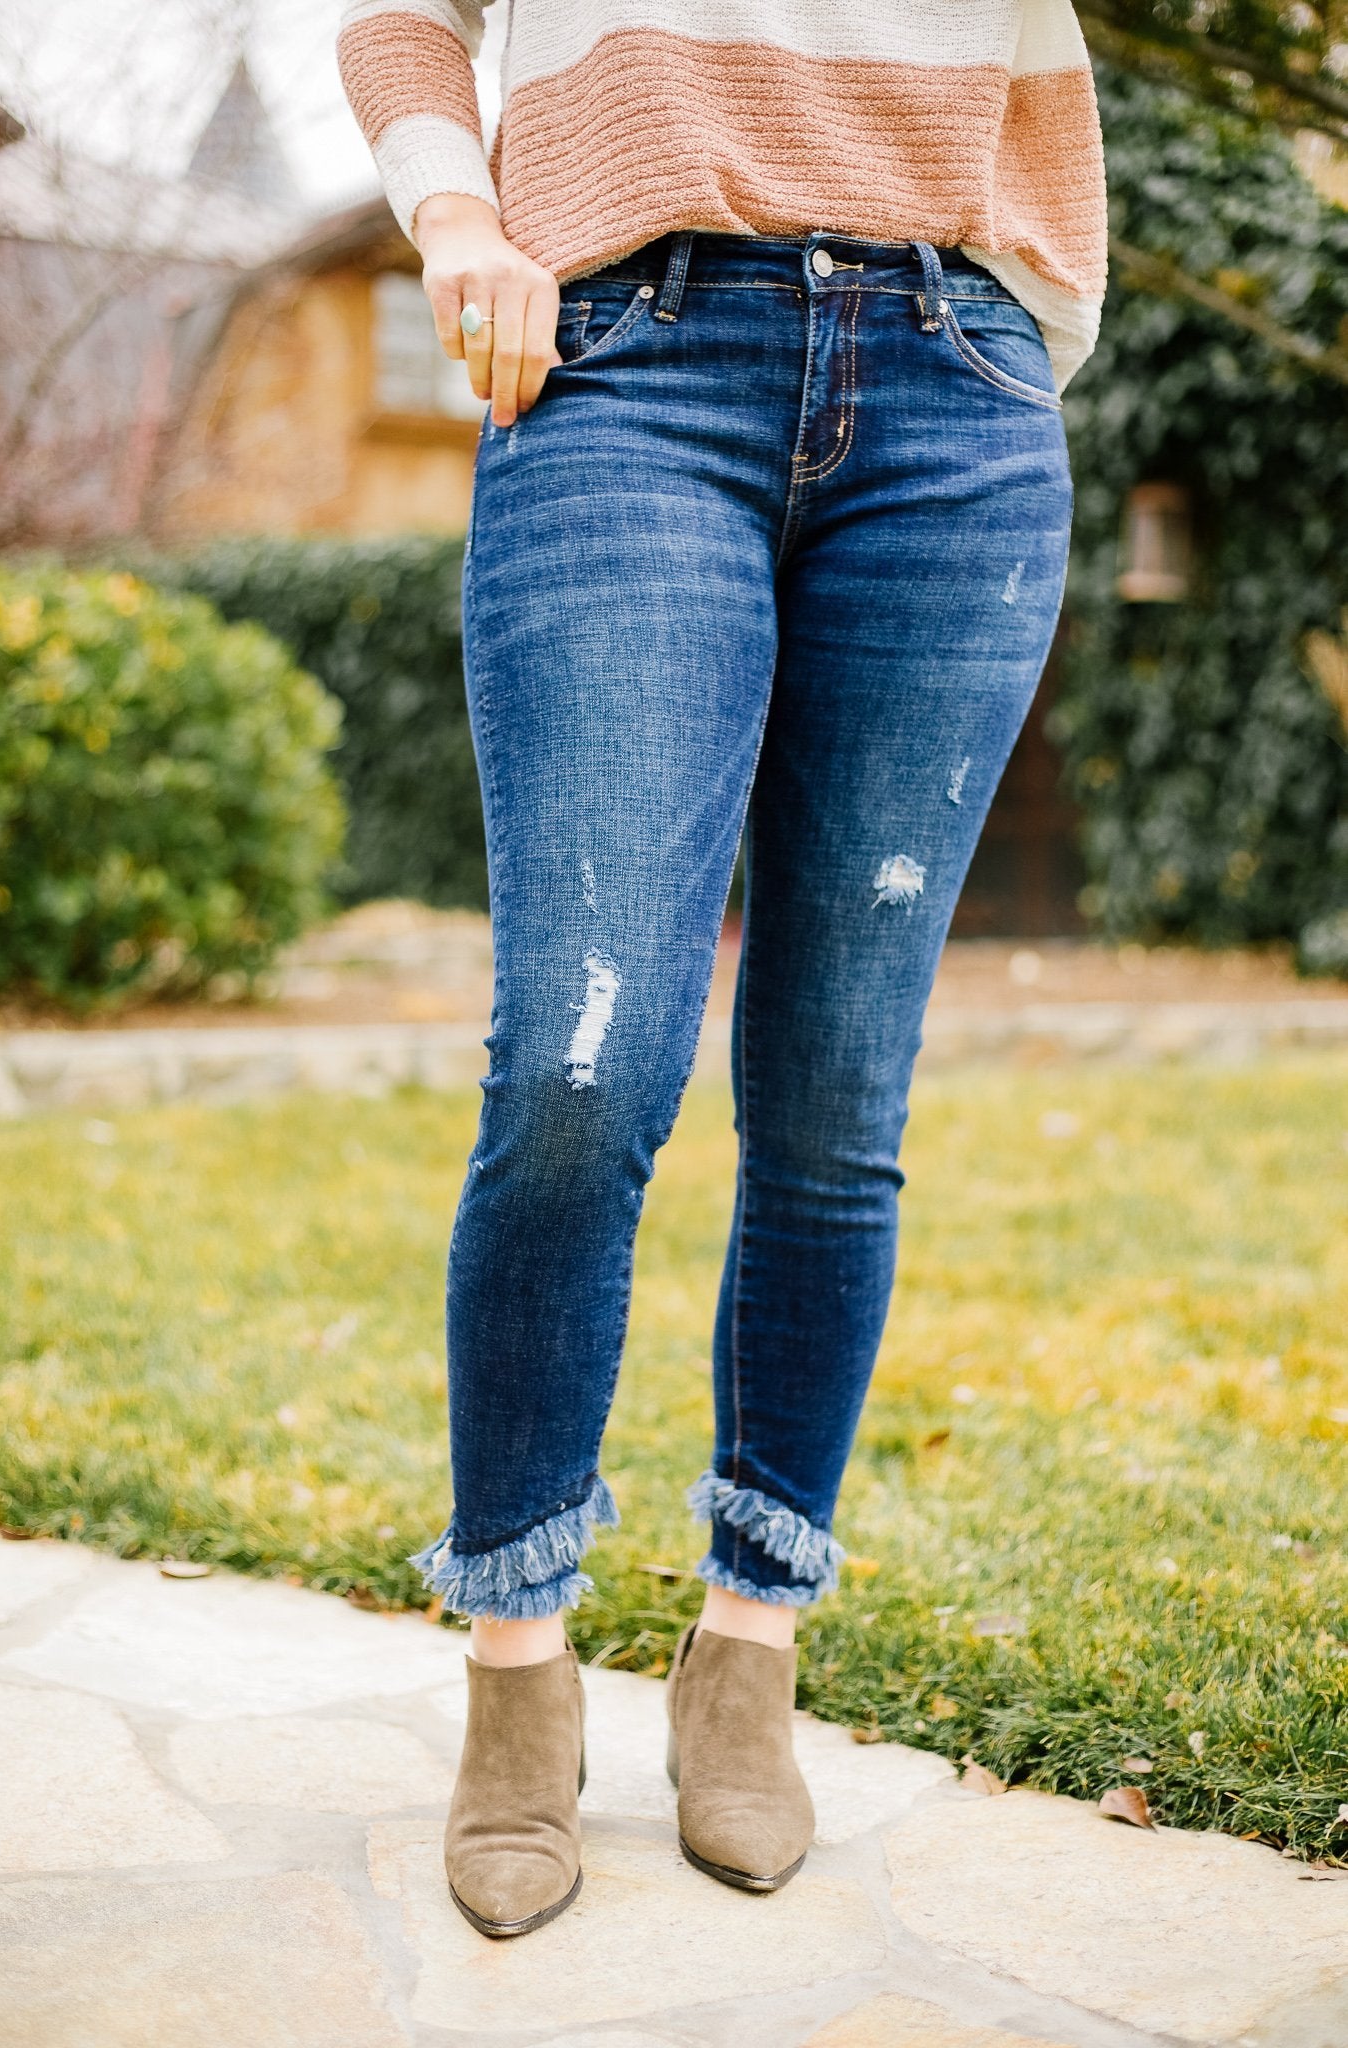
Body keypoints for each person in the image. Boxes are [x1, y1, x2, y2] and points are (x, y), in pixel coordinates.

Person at [338, 0, 1106, 1939]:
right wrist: (453, 217)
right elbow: (398, 17)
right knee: (579, 1063)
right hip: (625, 359)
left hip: (953, 380)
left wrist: (1021, 314)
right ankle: (517, 1665)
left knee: (840, 1090)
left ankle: (746, 1642)